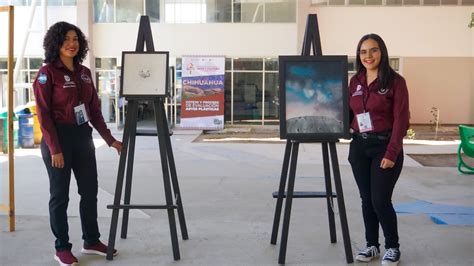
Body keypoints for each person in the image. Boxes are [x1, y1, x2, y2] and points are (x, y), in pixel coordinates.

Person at [33, 21, 123, 266]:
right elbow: (43, 115)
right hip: (58, 139)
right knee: (60, 196)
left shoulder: (84, 73)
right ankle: (61, 247)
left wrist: (110, 139)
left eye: (75, 39)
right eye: (66, 40)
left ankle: (91, 240)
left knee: (89, 192)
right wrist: (55, 148)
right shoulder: (47, 74)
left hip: (83, 138)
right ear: (56, 44)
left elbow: (94, 111)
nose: (71, 44)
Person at [348, 33, 409, 266]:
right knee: (366, 200)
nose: (368, 56)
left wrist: (392, 153)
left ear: (382, 52)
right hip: (360, 147)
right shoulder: (355, 82)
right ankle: (372, 245)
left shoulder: (395, 82)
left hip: (385, 147)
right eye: (363, 51)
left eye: (373, 50)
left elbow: (401, 120)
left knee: (380, 200)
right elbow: (349, 114)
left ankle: (392, 247)